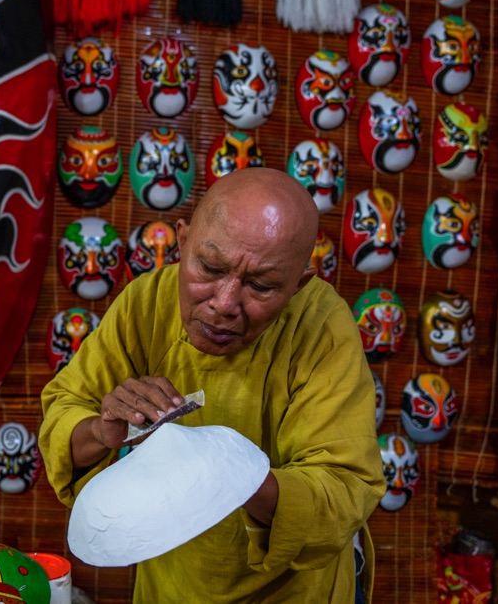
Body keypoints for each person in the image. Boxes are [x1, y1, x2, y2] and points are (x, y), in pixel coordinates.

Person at [39, 167, 384, 602]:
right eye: (210, 267)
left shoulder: (321, 327)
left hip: (290, 592)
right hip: (172, 584)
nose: (224, 304)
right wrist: (102, 431)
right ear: (182, 241)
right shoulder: (147, 305)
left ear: (298, 286)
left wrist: (231, 473)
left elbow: (344, 489)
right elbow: (64, 412)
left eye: (261, 286)